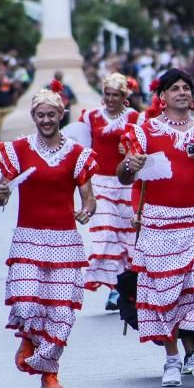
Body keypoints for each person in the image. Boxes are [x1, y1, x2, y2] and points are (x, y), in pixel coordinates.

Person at [117, 69, 194, 388]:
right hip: (158, 224)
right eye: (174, 88)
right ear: (163, 97)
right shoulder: (143, 131)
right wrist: (130, 165)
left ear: (192, 97)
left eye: (186, 88)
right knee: (164, 294)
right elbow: (124, 175)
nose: (181, 92)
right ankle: (171, 360)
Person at [0, 88, 98, 388]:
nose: (46, 120)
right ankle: (28, 338)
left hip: (65, 240)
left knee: (62, 312)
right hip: (28, 238)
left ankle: (49, 371)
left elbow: (89, 197)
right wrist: (1, 194)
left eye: (51, 114)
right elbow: (3, 189)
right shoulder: (18, 150)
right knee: (27, 302)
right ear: (33, 117)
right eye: (40, 115)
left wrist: (86, 212)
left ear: (60, 115)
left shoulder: (78, 153)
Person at [77, 73, 140, 309]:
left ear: (124, 97)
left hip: (125, 184)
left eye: (116, 95)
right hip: (100, 183)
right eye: (107, 94)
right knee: (105, 236)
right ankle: (113, 285)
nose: (110, 99)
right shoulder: (91, 116)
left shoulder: (134, 117)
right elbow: (82, 149)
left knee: (126, 238)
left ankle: (121, 289)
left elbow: (138, 148)